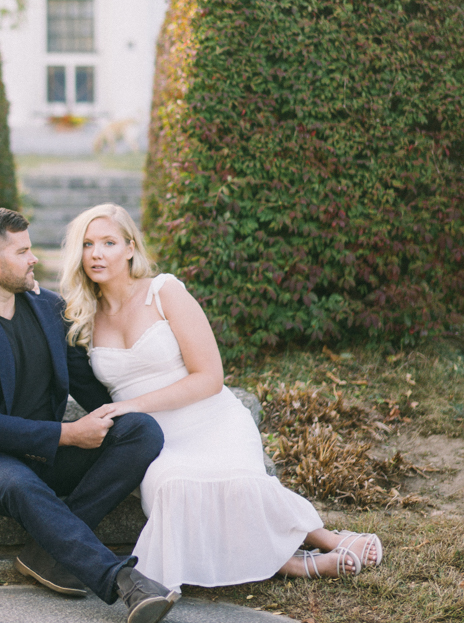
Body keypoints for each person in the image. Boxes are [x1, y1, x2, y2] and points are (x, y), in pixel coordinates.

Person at [60, 203, 384, 590]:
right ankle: (292, 563)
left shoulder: (164, 292)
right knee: (175, 488)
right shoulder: (83, 315)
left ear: (130, 248)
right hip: (152, 441)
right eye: (87, 244)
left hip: (208, 418)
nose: (96, 253)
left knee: (239, 482)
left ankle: (324, 539)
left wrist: (131, 405)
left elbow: (210, 378)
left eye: (108, 242)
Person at [0, 206, 181, 623]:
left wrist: (134, 415)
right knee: (20, 482)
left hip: (46, 455)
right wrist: (70, 434)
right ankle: (125, 582)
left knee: (138, 430)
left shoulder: (49, 310)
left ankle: (45, 552)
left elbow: (89, 389)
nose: (34, 258)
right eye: (23, 251)